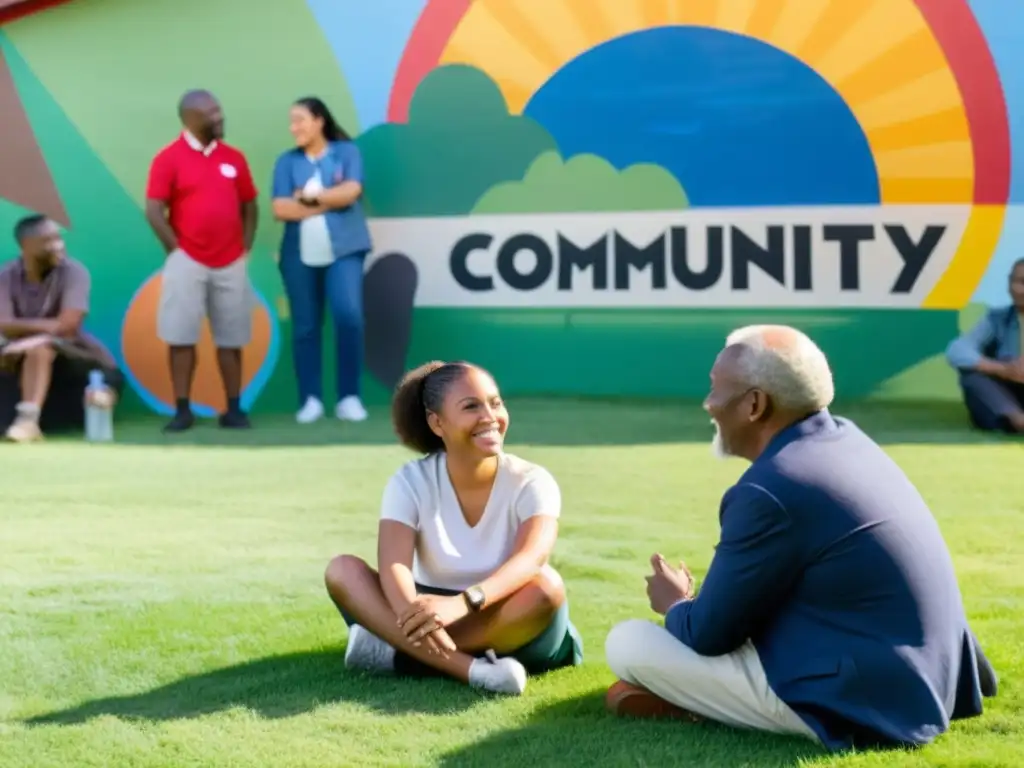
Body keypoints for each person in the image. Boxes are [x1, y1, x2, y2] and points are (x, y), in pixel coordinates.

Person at [604, 325, 996, 751]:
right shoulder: (848, 439)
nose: (708, 404)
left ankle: (703, 705)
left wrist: (676, 603)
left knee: (627, 642)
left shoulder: (770, 488)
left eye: (716, 390)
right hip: (928, 670)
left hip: (861, 700)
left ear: (754, 404)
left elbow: (708, 634)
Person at [324, 361, 583, 695]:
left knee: (546, 587)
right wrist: (409, 613)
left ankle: (395, 654)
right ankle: (471, 670)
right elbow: (394, 565)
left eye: (495, 402)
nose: (490, 416)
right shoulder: (409, 481)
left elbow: (531, 558)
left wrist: (463, 603)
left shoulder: (533, 481)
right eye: (471, 406)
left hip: (508, 620)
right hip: (428, 610)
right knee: (343, 570)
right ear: (437, 422)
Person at [144, 89, 258, 433]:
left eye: (219, 110)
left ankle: (234, 409)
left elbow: (250, 205)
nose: (219, 117)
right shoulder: (168, 158)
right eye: (211, 112)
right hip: (187, 259)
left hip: (230, 261)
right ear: (190, 118)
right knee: (181, 337)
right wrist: (176, 249)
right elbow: (153, 210)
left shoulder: (234, 158)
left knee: (232, 338)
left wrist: (245, 246)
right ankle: (182, 410)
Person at [271, 97, 371, 425]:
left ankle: (348, 397)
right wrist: (330, 200)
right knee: (305, 327)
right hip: (298, 256)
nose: (293, 127)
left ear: (319, 121)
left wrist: (310, 198)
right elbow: (281, 209)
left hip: (344, 252)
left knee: (349, 316)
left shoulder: (347, 153)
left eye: (299, 119)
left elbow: (352, 191)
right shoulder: (287, 162)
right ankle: (310, 399)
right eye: (290, 121)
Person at [0, 214, 123, 442]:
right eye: (49, 240)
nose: (58, 246)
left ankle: (28, 421)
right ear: (26, 246)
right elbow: (3, 324)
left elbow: (68, 327)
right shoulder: (6, 276)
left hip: (80, 364)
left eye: (59, 238)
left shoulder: (74, 272)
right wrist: (42, 330)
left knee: (40, 348)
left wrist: (32, 338)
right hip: (26, 368)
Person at [945, 258, 1024, 433]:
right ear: (1009, 285)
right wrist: (1002, 369)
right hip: (1011, 394)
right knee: (972, 374)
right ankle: (1017, 420)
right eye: (1019, 282)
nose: (1021, 290)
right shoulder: (998, 318)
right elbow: (957, 350)